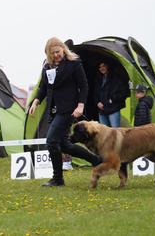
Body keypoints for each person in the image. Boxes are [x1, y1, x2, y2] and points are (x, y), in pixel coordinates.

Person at [29, 37, 102, 187]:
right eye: (52, 53)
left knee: (51, 141)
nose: (56, 55)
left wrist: (80, 106)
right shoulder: (47, 66)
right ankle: (97, 161)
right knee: (65, 146)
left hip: (68, 109)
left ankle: (58, 179)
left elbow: (84, 86)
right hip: (53, 109)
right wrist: (36, 101)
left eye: (58, 51)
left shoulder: (73, 64)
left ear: (63, 49)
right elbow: (44, 87)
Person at [94, 62, 130, 127]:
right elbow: (95, 93)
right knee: (104, 134)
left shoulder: (116, 78)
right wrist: (97, 102)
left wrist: (112, 99)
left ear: (108, 66)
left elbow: (124, 92)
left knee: (115, 132)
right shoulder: (98, 79)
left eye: (103, 66)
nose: (101, 68)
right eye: (100, 67)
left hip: (113, 109)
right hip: (102, 111)